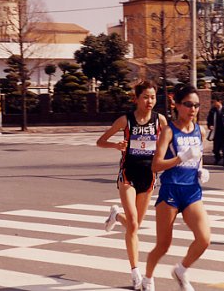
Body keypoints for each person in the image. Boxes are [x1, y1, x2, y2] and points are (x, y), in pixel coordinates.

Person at [96, 80, 167, 290]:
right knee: (134, 226)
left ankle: (116, 216)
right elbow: (100, 141)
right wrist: (115, 145)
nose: (149, 101)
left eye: (153, 97)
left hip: (149, 176)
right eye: (145, 96)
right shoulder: (125, 120)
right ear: (136, 98)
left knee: (135, 224)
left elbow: (171, 139)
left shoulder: (159, 120)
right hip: (128, 174)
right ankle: (136, 272)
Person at [142, 84, 210, 291]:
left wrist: (201, 170)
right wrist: (179, 158)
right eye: (188, 104)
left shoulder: (201, 131)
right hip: (171, 191)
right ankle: (147, 278)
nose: (193, 109)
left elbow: (198, 158)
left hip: (191, 191)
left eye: (196, 105)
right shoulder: (168, 132)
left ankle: (180, 270)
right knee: (163, 245)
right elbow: (156, 165)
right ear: (177, 106)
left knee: (204, 239)